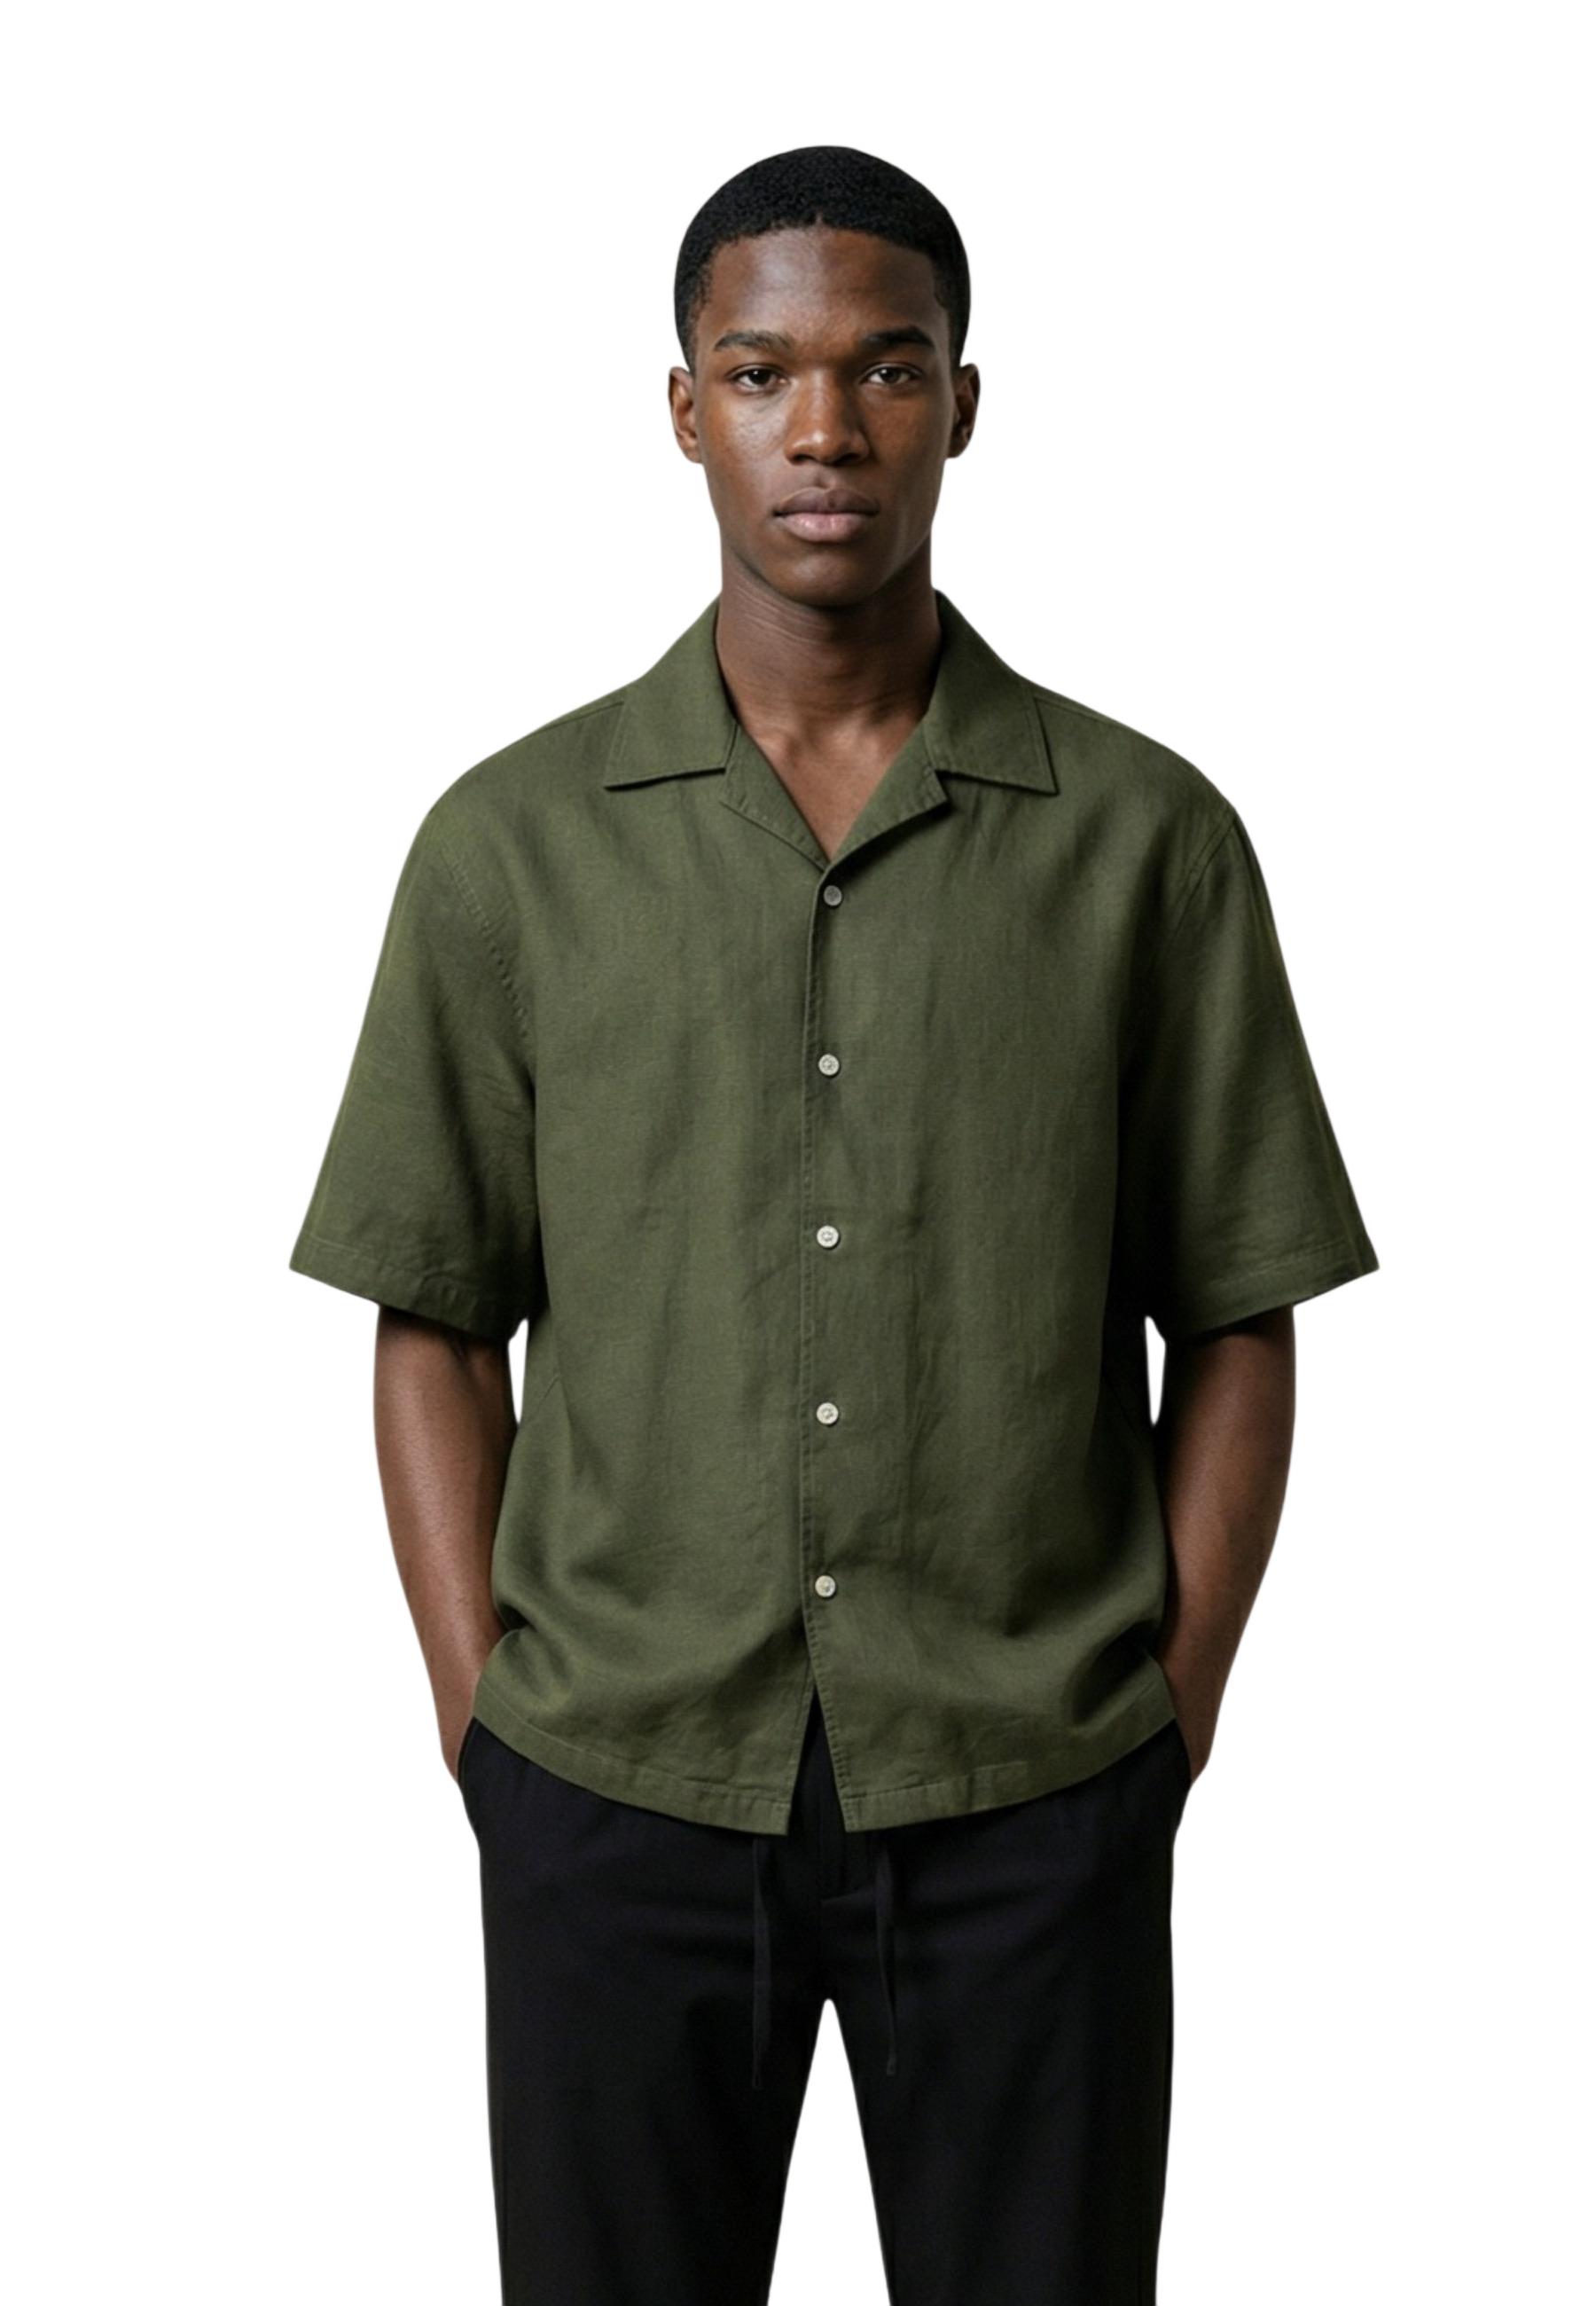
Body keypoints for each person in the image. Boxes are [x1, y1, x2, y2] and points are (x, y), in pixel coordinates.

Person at [289, 144, 1379, 2305]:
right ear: (681, 406)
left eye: (886, 368)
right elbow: (432, 1311)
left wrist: (1166, 1711)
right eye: (761, 369)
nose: (825, 428)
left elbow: (1242, 1309)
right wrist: (485, 1720)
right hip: (615, 1782)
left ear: (963, 403)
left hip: (1033, 1786)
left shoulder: (1147, 842)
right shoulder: (510, 848)